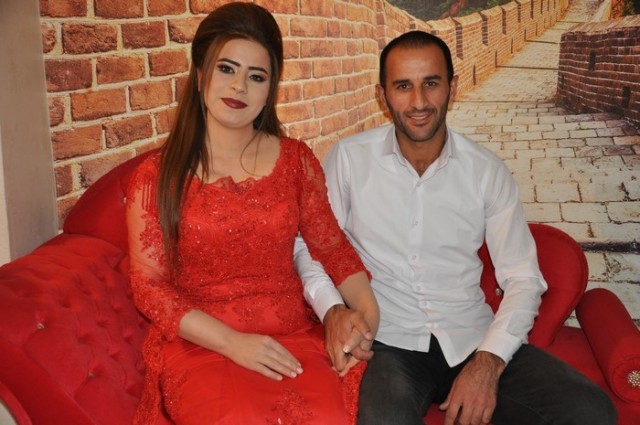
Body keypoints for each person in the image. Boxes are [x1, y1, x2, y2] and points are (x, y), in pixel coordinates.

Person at [295, 30, 617, 425]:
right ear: (382, 96)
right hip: (389, 342)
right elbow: (310, 245)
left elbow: (523, 278)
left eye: (431, 83)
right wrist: (331, 310)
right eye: (403, 86)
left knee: (590, 411)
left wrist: (489, 361)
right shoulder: (349, 159)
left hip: (472, 337)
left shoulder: (486, 171)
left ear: (453, 86)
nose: (419, 102)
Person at [126, 3, 379, 424]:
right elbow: (149, 287)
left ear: (270, 89)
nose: (239, 86)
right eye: (226, 69)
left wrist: (366, 323)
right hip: (203, 344)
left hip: (292, 339)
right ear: (200, 74)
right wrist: (231, 343)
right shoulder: (156, 177)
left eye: (256, 76)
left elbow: (333, 250)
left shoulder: (296, 161)